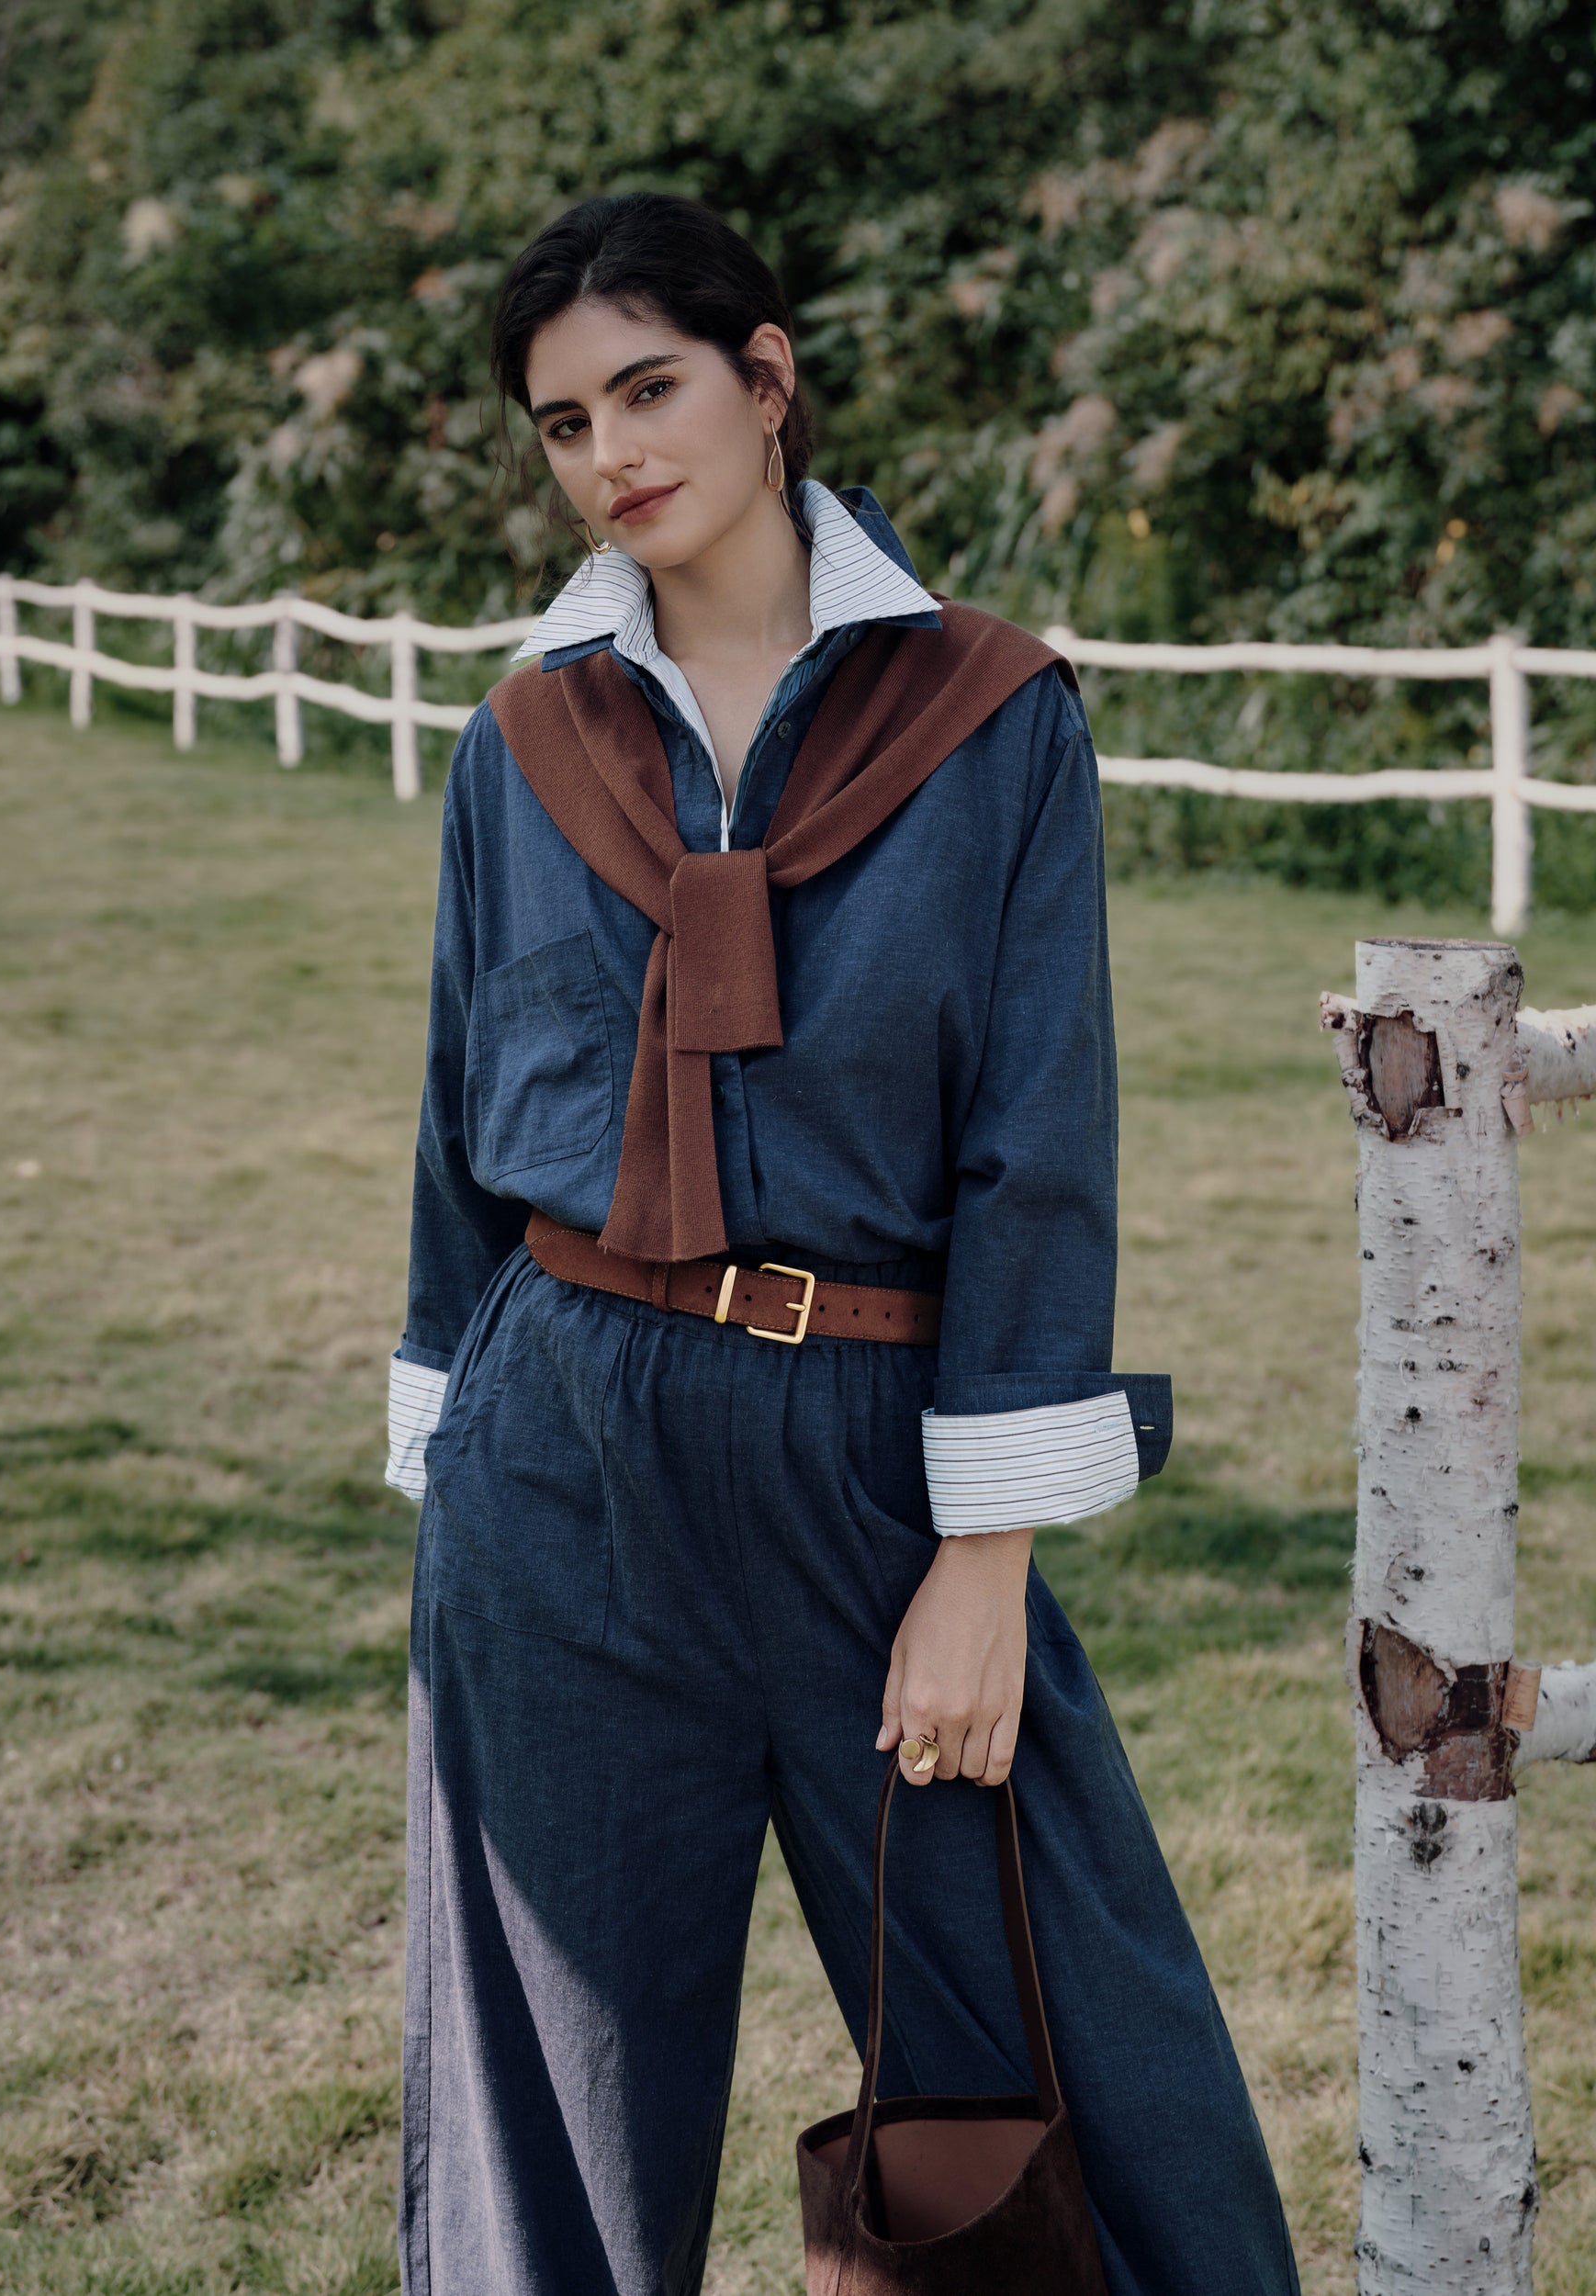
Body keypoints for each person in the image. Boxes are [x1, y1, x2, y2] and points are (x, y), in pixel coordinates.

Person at [387, 191, 1299, 2296]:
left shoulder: (991, 722)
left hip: (877, 1456)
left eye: (649, 386)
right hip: (560, 1460)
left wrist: (983, 1558)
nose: (610, 450)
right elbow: (457, 1126)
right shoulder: (518, 740)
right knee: (544, 2108)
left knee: (1069, 2055)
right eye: (559, 421)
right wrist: (458, 1483)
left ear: (767, 374)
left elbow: (1036, 1149)